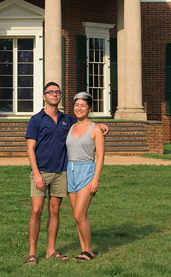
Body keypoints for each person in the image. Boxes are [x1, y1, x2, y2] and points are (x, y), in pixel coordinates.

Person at [24, 82, 108, 265]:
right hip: (42, 173)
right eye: (50, 92)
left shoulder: (66, 120)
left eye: (57, 92)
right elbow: (30, 148)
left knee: (56, 212)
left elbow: (85, 123)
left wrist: (100, 125)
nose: (54, 94)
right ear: (44, 96)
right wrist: (36, 173)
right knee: (37, 210)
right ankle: (32, 253)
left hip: (62, 173)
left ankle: (51, 250)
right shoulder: (36, 120)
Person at [65, 91, 105, 261]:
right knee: (77, 216)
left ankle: (88, 251)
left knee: (79, 215)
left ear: (89, 109)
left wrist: (95, 179)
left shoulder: (95, 129)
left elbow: (101, 156)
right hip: (70, 171)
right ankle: (83, 250)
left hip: (86, 171)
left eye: (82, 105)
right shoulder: (71, 126)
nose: (79, 108)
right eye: (76, 105)